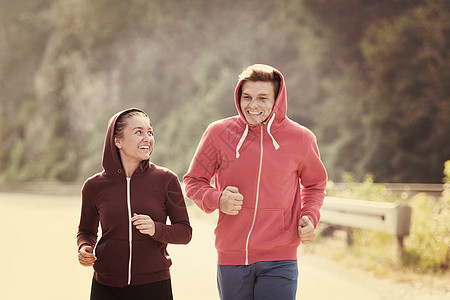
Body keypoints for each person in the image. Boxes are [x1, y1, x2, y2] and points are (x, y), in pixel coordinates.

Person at [183, 64, 327, 300]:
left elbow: (315, 184)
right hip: (231, 254)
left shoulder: (301, 138)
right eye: (247, 97)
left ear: (277, 100)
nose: (253, 105)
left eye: (262, 98)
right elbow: (193, 181)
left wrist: (309, 216)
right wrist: (217, 199)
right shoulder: (219, 133)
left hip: (280, 256)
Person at [77, 108, 192, 300]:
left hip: (155, 285)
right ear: (117, 140)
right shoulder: (94, 186)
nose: (147, 138)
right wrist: (84, 247)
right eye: (138, 132)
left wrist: (155, 229)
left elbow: (185, 232)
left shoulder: (166, 179)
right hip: (106, 285)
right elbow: (86, 231)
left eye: (150, 132)